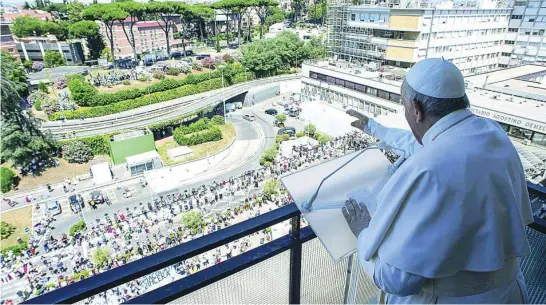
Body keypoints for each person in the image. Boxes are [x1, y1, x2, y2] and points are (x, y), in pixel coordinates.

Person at [343, 58, 533, 304]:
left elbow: (396, 279)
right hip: (507, 293)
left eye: (404, 107)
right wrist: (376, 128)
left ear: (416, 109)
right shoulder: (491, 132)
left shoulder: (428, 171)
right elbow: (432, 144)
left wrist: (363, 232)